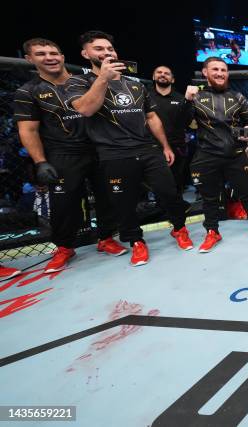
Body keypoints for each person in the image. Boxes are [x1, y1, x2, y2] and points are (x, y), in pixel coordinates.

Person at [65, 31, 193, 266]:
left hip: (148, 148)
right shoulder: (78, 81)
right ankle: (135, 241)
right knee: (124, 203)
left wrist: (165, 146)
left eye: (110, 49)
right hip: (114, 153)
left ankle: (179, 228)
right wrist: (102, 78)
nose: (106, 53)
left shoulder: (134, 85)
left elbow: (152, 117)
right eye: (99, 49)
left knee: (169, 193)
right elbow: (85, 109)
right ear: (85, 53)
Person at [14, 38, 126, 273]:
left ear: (63, 56)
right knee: (64, 203)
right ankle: (64, 247)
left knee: (108, 196)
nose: (50, 57)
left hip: (99, 147)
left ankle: (106, 238)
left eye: (54, 52)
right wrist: (40, 162)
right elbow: (28, 129)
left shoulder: (88, 80)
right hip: (63, 153)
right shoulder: (28, 91)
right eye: (41, 54)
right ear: (29, 59)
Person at [185, 56, 248, 252]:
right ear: (205, 72)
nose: (220, 73)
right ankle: (212, 231)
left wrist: (247, 132)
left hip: (235, 153)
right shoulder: (195, 96)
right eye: (215, 69)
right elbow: (183, 122)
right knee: (209, 197)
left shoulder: (238, 97)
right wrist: (186, 101)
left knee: (247, 193)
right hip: (207, 154)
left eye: (223, 70)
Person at [150, 65, 193, 197]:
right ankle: (157, 212)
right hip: (151, 147)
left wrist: (188, 102)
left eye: (167, 73)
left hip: (176, 147)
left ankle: (177, 214)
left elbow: (186, 123)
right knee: (154, 184)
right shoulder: (145, 96)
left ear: (172, 80)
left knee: (176, 183)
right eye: (159, 72)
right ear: (153, 77)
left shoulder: (182, 99)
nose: (162, 75)